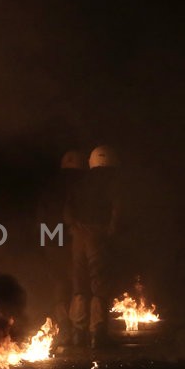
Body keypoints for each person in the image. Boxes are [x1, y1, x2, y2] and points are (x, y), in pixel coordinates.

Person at [65, 145, 120, 348]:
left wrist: (73, 227)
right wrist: (111, 230)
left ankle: (78, 333)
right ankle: (98, 334)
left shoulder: (80, 183)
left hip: (79, 235)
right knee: (100, 282)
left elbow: (68, 207)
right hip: (98, 234)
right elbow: (117, 209)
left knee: (79, 281)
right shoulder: (112, 183)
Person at [37, 150, 84, 346]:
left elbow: (41, 215)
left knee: (60, 283)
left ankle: (66, 326)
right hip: (70, 236)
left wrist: (45, 239)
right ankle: (75, 329)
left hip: (53, 235)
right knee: (75, 282)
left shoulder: (51, 187)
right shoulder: (80, 186)